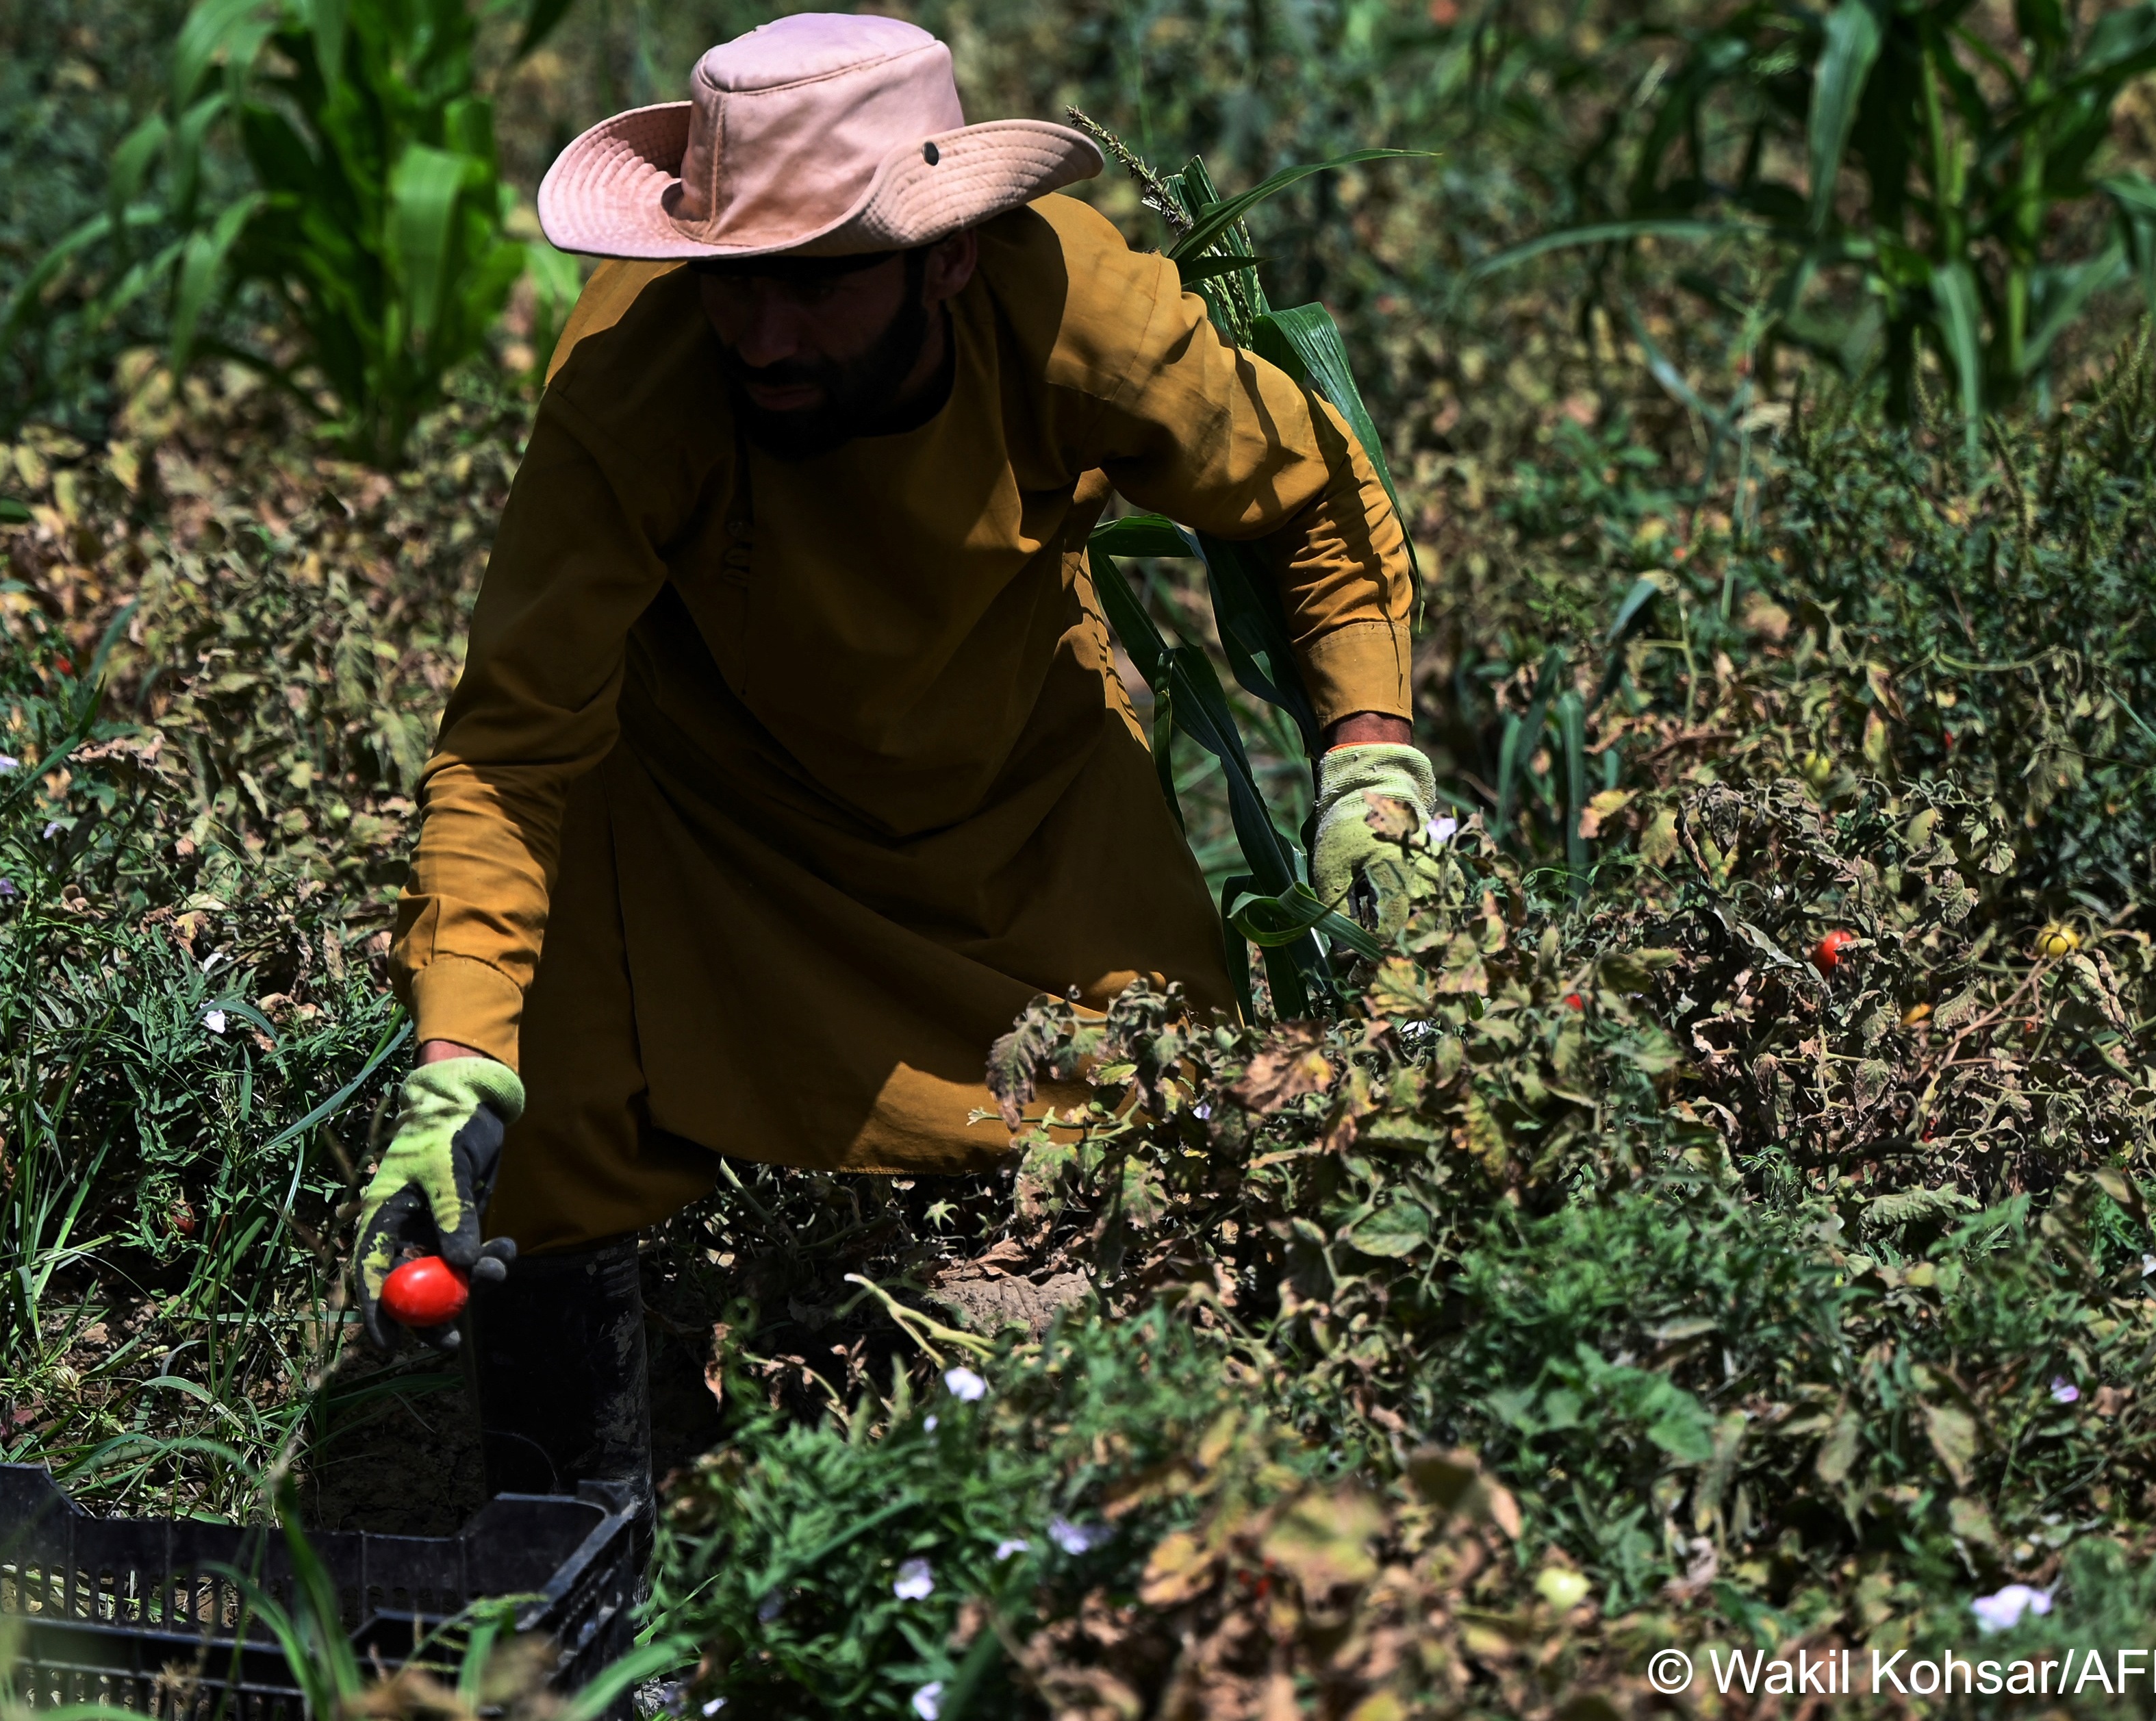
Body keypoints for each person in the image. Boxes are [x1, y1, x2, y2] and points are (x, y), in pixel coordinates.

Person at [349, 12, 1430, 1508]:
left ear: (947, 256)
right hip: (699, 814)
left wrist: (1368, 758)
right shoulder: (634, 376)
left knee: (1155, 1116)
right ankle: (569, 1530)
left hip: (1014, 790)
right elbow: (512, 742)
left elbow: (1303, 498)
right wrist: (457, 1054)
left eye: (818, 284)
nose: (761, 335)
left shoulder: (1079, 309)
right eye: (732, 282)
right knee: (555, 1110)